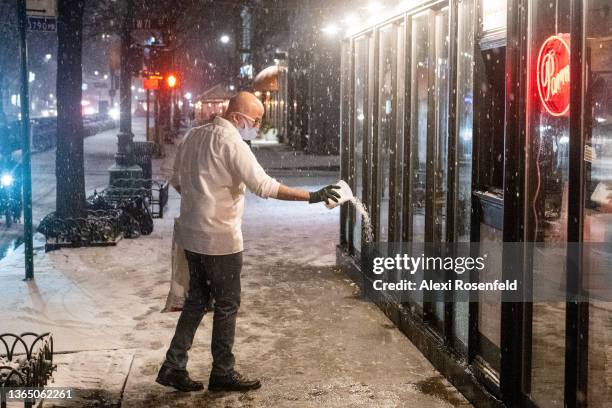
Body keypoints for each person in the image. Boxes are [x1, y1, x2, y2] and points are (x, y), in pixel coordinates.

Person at [156, 91, 339, 393]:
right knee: (227, 304)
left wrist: (200, 199)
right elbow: (264, 186)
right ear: (238, 117)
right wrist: (312, 196)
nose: (256, 126)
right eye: (255, 121)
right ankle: (222, 372)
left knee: (197, 300)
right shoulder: (231, 143)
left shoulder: (194, 135)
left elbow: (175, 178)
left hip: (192, 234)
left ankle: (173, 365)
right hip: (220, 239)